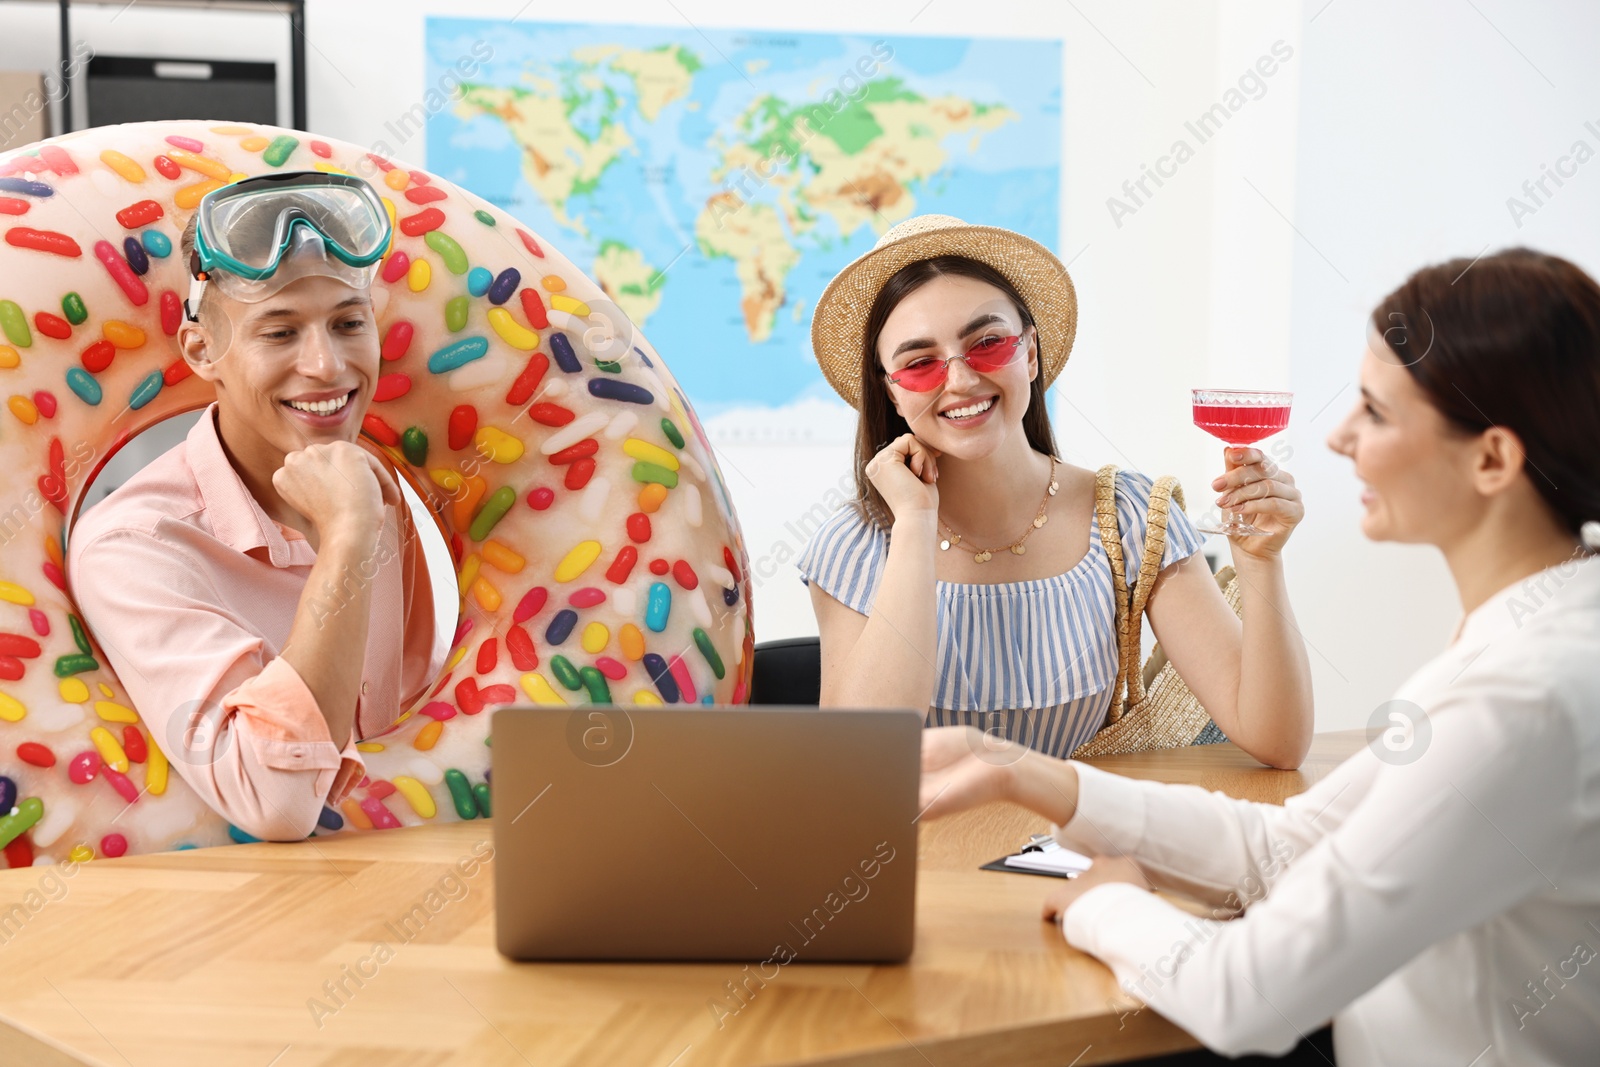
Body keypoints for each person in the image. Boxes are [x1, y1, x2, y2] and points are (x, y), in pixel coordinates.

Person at [918, 247, 1600, 1064]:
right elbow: (1285, 847)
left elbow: (1248, 995)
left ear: (1493, 458)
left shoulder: (1524, 701)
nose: (1342, 437)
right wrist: (1027, 772)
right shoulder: (1527, 640)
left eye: (1377, 414)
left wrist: (1109, 905)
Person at [798, 215, 1313, 767]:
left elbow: (1277, 742)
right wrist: (916, 521)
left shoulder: (1131, 518)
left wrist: (1261, 563)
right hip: (919, 850)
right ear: (893, 394)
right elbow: (859, 762)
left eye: (988, 343)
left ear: (1031, 354)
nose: (962, 380)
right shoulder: (858, 543)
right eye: (920, 364)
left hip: (1077, 846)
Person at [68, 172, 445, 841]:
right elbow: (277, 801)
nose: (327, 366)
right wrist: (348, 539)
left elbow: (414, 728)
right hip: (218, 922)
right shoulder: (132, 544)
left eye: (349, 323)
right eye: (279, 332)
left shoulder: (376, 489)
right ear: (202, 349)